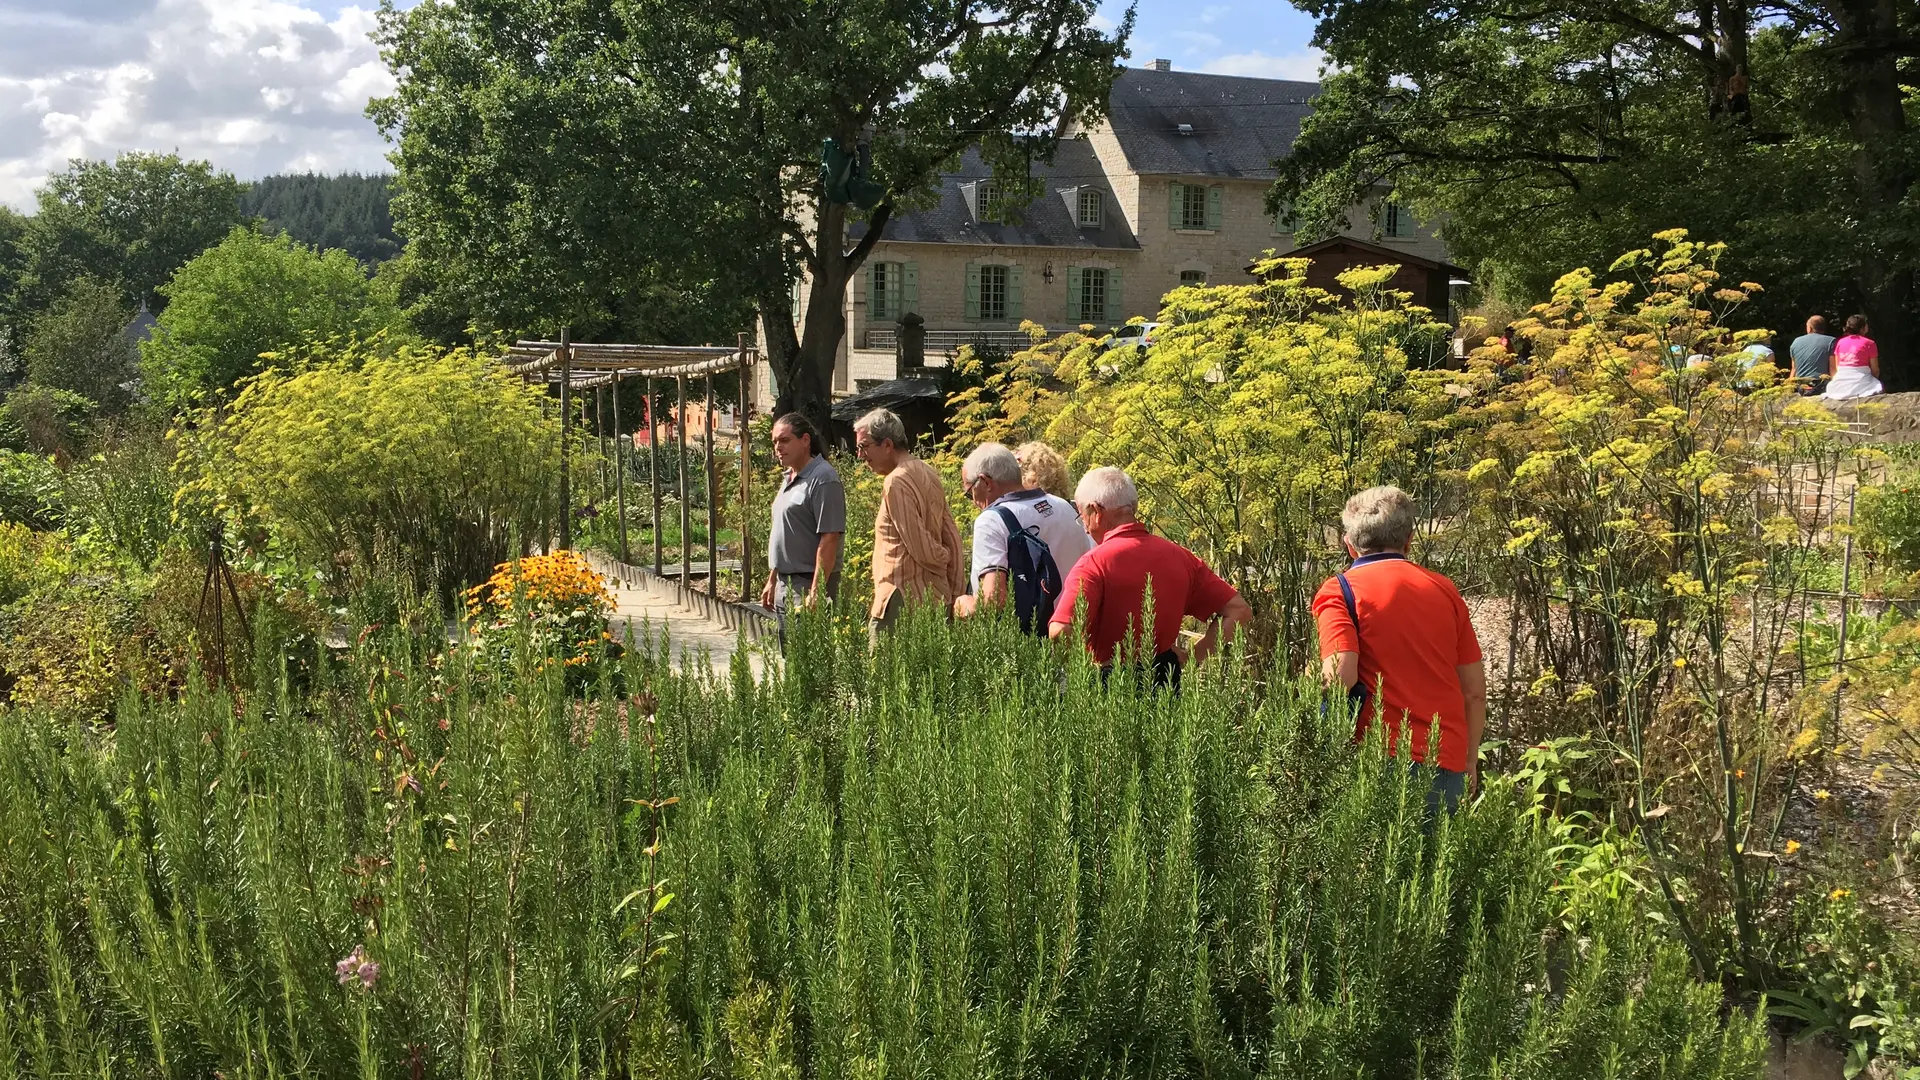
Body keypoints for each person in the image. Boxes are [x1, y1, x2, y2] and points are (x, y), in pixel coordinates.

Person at [1313, 486, 1486, 815]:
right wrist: (1468, 759)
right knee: (1432, 865)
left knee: (1374, 865)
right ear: (1408, 541)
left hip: (1373, 758)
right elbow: (1474, 692)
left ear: (1349, 545)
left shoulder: (1340, 590)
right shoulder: (1444, 590)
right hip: (1444, 760)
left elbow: (1339, 677)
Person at [1047, 466, 1253, 690]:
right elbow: (1238, 610)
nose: (1085, 529)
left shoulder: (1094, 564)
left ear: (1096, 511)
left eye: (1082, 517)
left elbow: (1060, 632)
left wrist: (1080, 668)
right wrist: (1194, 656)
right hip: (1165, 681)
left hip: (1110, 685)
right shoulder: (1180, 556)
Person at [954, 442, 1093, 626]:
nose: (972, 501)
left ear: (986, 482)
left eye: (969, 492)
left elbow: (993, 601)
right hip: (1073, 630)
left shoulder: (991, 521)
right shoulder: (1066, 507)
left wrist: (964, 605)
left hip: (1026, 643)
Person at [855, 408, 965, 638]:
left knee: (886, 673)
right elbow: (952, 536)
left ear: (887, 445)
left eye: (864, 447)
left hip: (902, 602)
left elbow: (922, 548)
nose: (860, 455)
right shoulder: (928, 471)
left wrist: (943, 559)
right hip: (934, 600)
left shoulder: (896, 481)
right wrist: (954, 590)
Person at [760, 412, 846, 639]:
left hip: (807, 584)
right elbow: (785, 533)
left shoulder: (823, 478)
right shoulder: (789, 477)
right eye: (775, 442)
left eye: (784, 440)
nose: (778, 447)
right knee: (791, 662)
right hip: (784, 584)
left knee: (808, 663)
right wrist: (772, 579)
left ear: (805, 440)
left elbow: (829, 537)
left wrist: (816, 592)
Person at [1825, 315, 1884, 400]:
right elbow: (1875, 370)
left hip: (1841, 382)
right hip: (1862, 381)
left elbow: (1838, 367)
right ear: (1863, 327)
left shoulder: (1840, 342)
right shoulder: (1870, 343)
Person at [1790, 315, 1836, 395]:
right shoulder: (1831, 341)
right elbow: (1833, 367)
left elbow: (1794, 369)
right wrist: (1836, 385)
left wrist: (1789, 387)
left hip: (1801, 386)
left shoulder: (1796, 341)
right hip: (1821, 385)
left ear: (1810, 328)